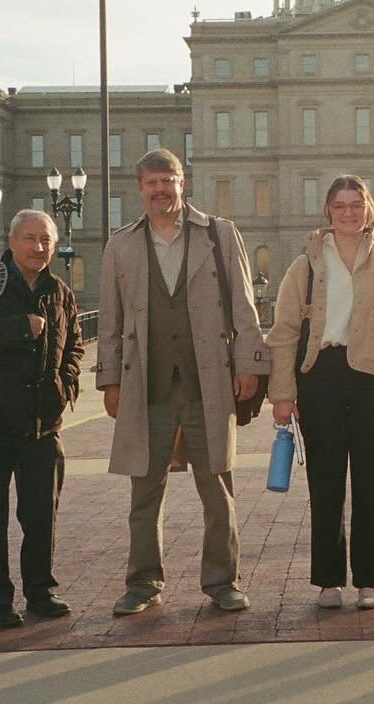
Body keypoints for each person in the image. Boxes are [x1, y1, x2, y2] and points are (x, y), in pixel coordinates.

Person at [95, 148, 270, 616]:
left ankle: (223, 582)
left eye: (167, 180)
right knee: (144, 490)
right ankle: (142, 584)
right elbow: (109, 322)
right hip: (146, 386)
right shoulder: (121, 246)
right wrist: (110, 379)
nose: (160, 190)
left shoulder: (218, 234)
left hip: (207, 382)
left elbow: (244, 307)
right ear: (139, 189)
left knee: (216, 487)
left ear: (182, 183)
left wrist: (249, 363)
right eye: (151, 182)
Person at [266, 175, 374, 611]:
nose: (348, 212)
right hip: (323, 378)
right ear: (328, 211)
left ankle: (370, 579)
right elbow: (284, 333)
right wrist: (282, 392)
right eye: (339, 205)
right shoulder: (307, 265)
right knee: (326, 484)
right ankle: (329, 579)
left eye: (356, 204)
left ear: (368, 209)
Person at [0, 209, 83, 629]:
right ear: (11, 242)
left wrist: (66, 387)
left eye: (45, 240)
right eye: (29, 238)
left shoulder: (60, 291)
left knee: (41, 514)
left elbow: (74, 347)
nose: (38, 247)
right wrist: (19, 328)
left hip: (43, 425)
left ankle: (40, 591)